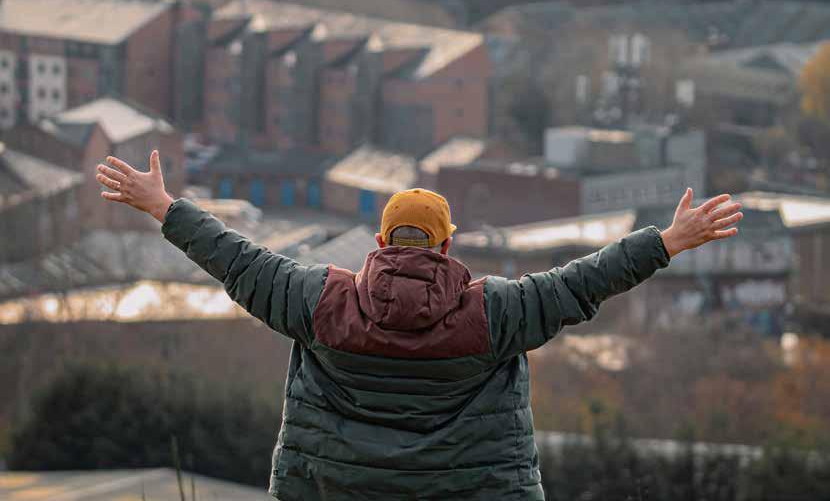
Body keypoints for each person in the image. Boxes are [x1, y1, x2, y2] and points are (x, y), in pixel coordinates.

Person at [97, 150, 743, 501]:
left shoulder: (319, 302)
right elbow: (585, 281)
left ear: (380, 242)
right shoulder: (495, 314)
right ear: (445, 246)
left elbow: (236, 259)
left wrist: (164, 206)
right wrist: (668, 241)